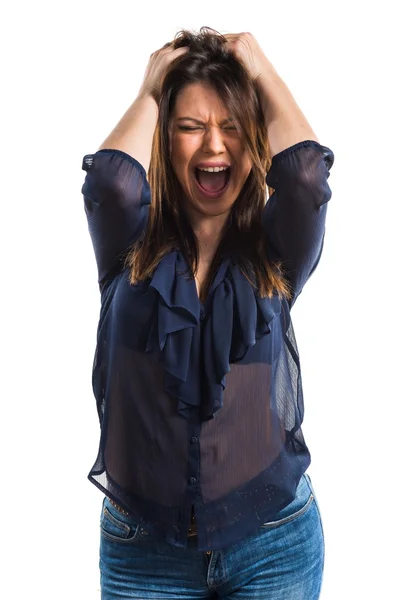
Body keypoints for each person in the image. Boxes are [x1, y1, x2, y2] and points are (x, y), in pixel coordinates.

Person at [81, 26, 334, 600]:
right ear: (165, 141)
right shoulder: (129, 244)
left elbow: (305, 178)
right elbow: (112, 185)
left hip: (275, 541)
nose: (213, 146)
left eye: (231, 128)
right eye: (191, 128)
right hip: (143, 553)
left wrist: (261, 70)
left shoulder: (278, 250)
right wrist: (151, 91)